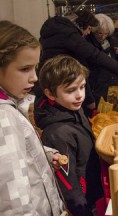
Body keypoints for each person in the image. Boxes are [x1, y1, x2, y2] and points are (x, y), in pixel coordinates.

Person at [0, 20, 65, 215]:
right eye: (24, 69)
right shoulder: (3, 118)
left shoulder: (10, 107)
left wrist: (44, 155)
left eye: (35, 68)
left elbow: (17, 154)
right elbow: (13, 201)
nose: (34, 77)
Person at [34, 55, 104, 216]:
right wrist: (82, 211)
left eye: (82, 87)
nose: (79, 95)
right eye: (71, 90)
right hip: (83, 202)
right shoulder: (56, 133)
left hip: (93, 187)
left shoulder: (74, 108)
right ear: (50, 94)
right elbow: (68, 184)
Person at [35, 10, 118, 117]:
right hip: (60, 80)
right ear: (81, 25)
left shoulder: (58, 32)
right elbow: (93, 54)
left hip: (51, 81)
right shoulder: (70, 35)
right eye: (89, 29)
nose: (89, 32)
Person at [86, 13, 118, 106]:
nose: (103, 37)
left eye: (106, 34)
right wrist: (89, 97)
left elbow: (113, 61)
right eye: (100, 33)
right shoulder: (87, 44)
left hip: (112, 88)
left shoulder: (110, 41)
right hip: (97, 89)